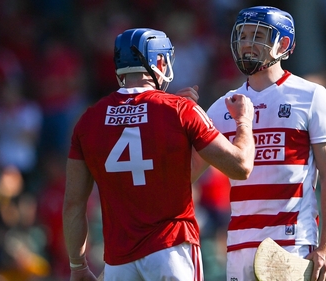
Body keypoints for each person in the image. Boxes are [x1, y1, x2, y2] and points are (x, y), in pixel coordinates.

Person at [62, 28, 256, 281]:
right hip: (172, 251)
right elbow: (240, 166)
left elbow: (74, 204)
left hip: (118, 263)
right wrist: (244, 122)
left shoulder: (88, 120)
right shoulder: (179, 110)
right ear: (160, 61)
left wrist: (78, 266)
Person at [192, 6, 326, 281]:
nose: (247, 44)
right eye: (243, 35)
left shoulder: (311, 96)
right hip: (239, 246)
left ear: (283, 44)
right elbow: (186, 175)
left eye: (258, 35)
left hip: (292, 244)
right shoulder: (220, 107)